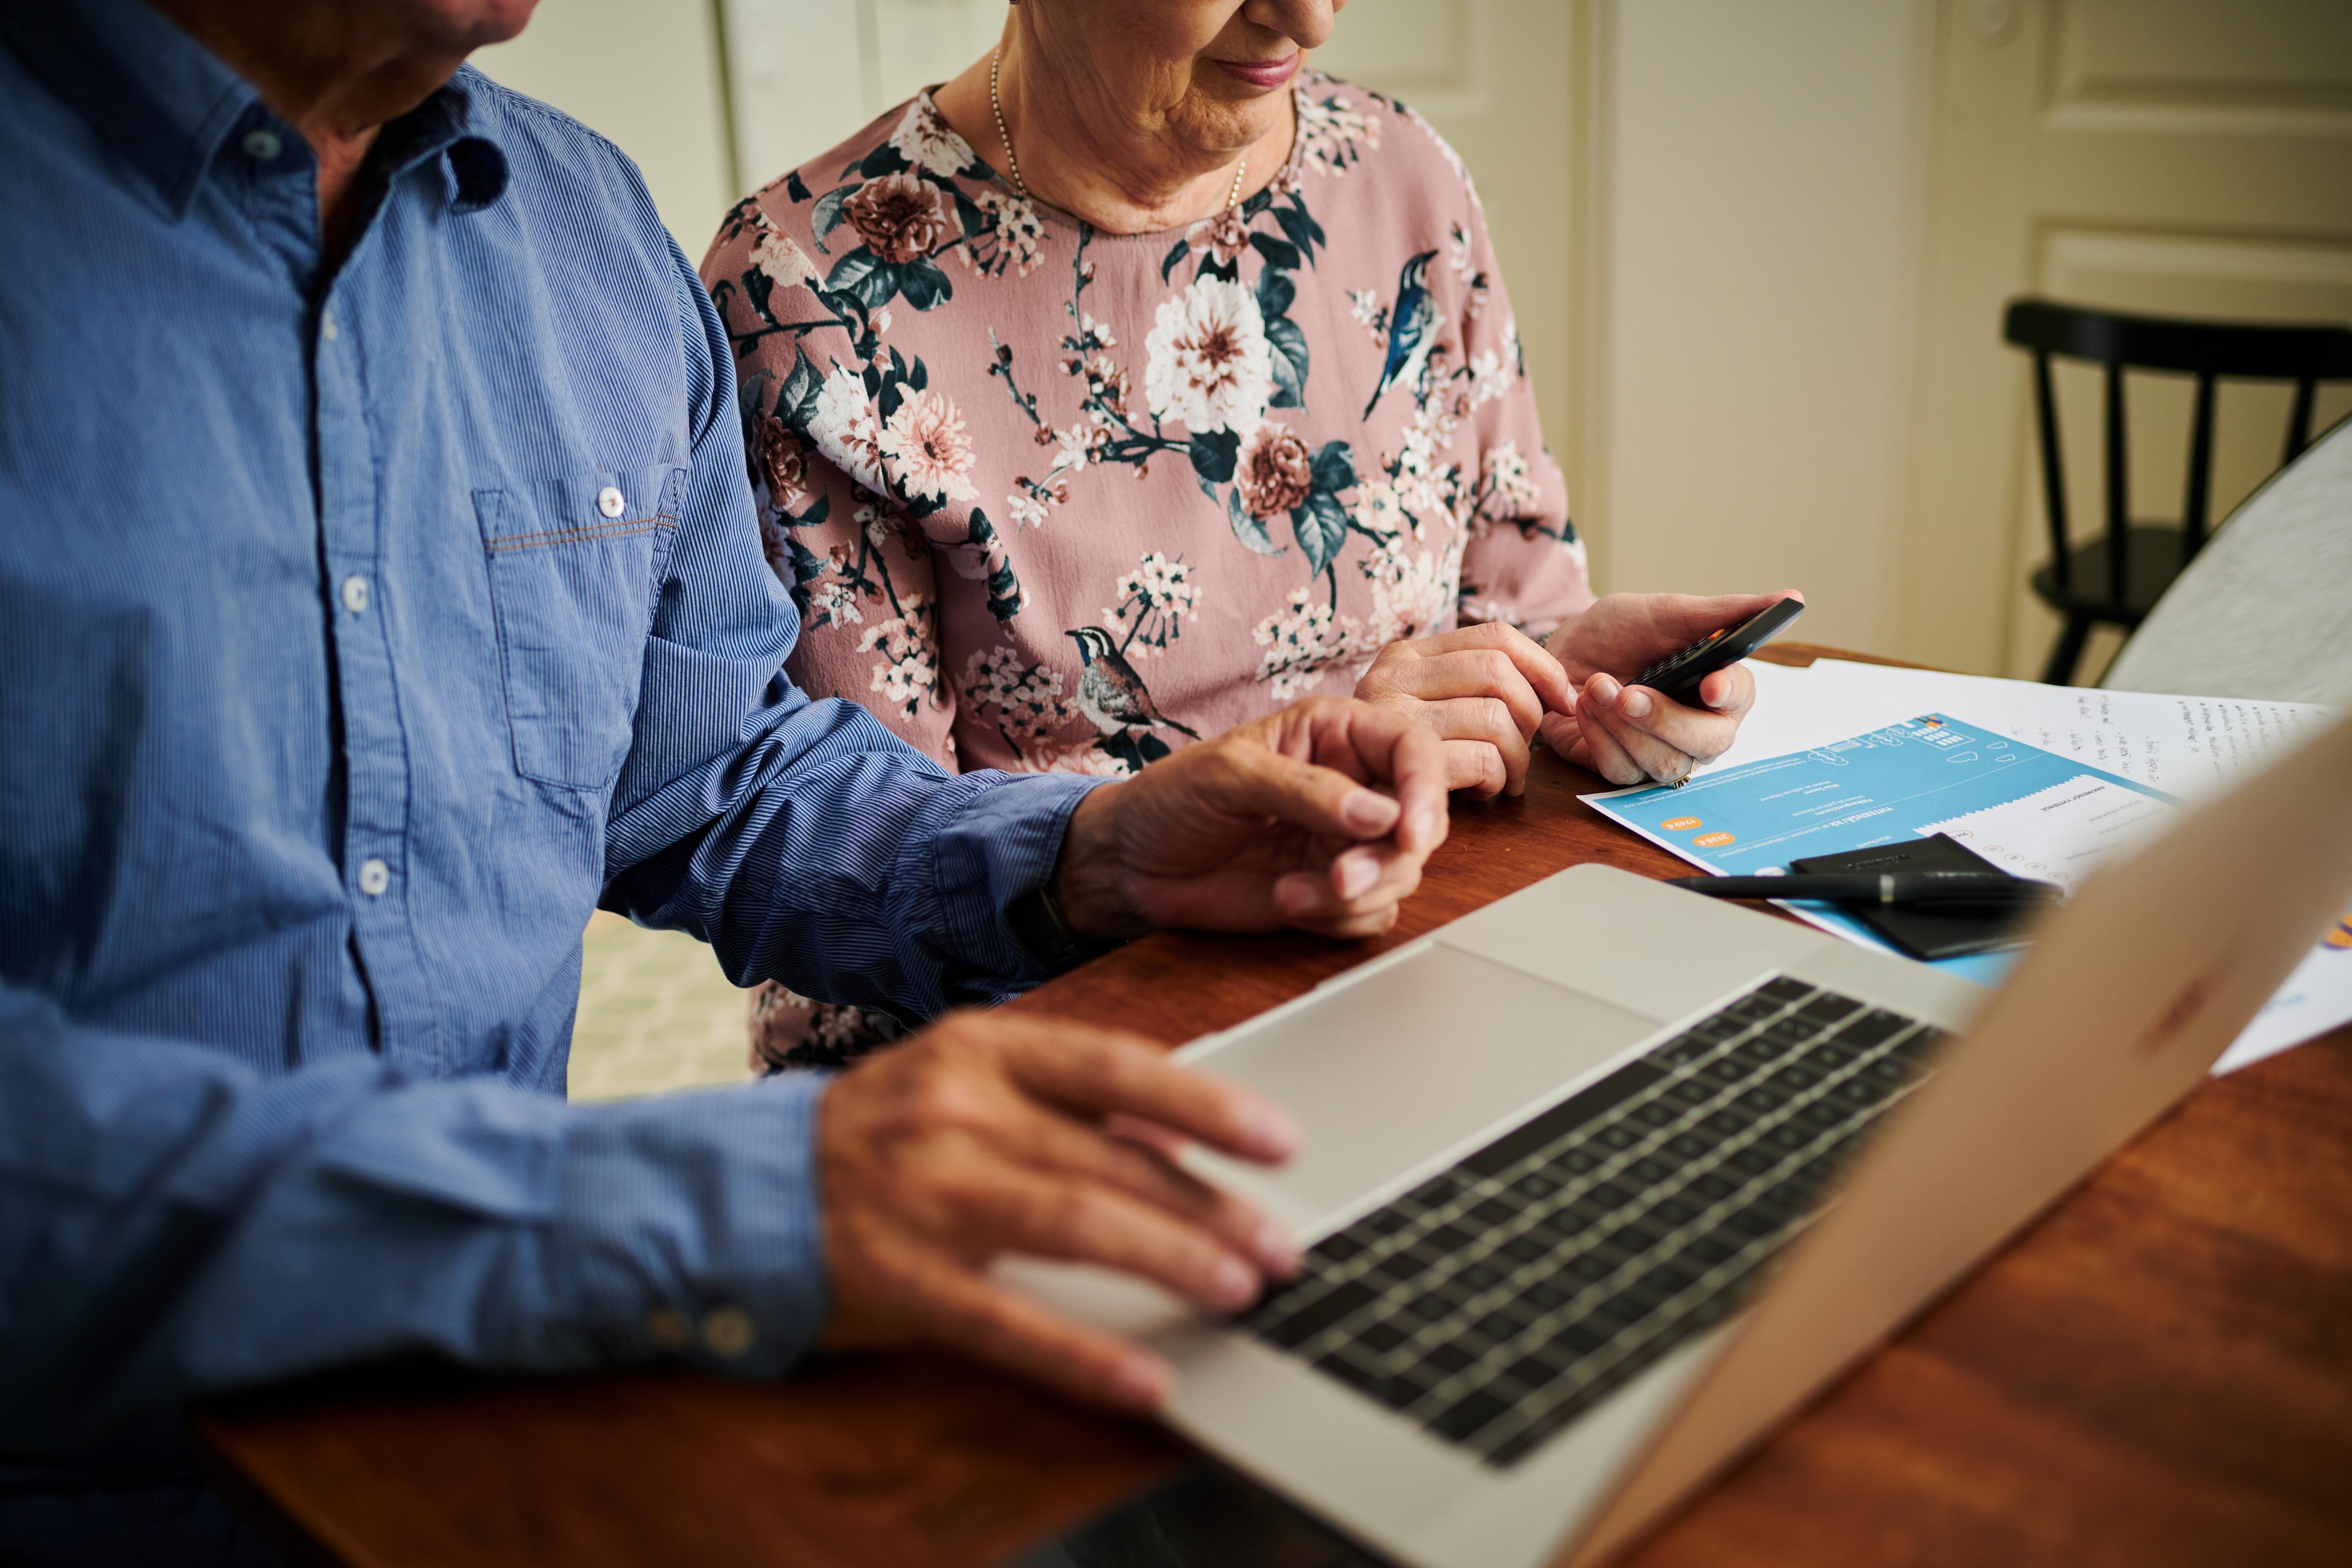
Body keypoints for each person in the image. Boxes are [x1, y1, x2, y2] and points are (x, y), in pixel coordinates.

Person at [0, 0, 1454, 1559]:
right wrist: (678, 1207)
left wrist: (1084, 854)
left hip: (488, 1429)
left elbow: (712, 775)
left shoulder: (583, 238)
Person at [701, 0, 1795, 1068]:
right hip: (1034, 1062)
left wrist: (1566, 691)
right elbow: (869, 865)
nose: (1310, 21)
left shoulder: (1400, 175)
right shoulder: (809, 299)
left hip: (1415, 970)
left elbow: (1516, 606)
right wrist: (1330, 767)